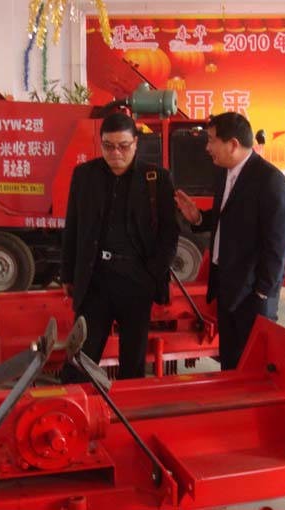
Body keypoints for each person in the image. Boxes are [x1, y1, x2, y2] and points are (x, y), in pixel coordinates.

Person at [60, 112, 179, 381]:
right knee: (81, 358)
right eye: (108, 146)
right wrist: (67, 274)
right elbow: (73, 227)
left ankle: (128, 406)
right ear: (101, 143)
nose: (115, 153)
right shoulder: (84, 176)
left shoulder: (156, 179)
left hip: (136, 282)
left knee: (132, 363)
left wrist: (153, 274)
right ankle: (76, 402)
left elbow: (170, 234)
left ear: (136, 143)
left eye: (123, 146)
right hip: (95, 280)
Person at [174, 112, 285, 370]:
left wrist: (263, 292)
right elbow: (228, 219)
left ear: (233, 144)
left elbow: (278, 245)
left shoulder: (270, 181)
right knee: (229, 363)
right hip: (227, 288)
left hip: (252, 295)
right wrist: (198, 218)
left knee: (252, 367)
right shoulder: (225, 174)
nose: (207, 147)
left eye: (211, 140)